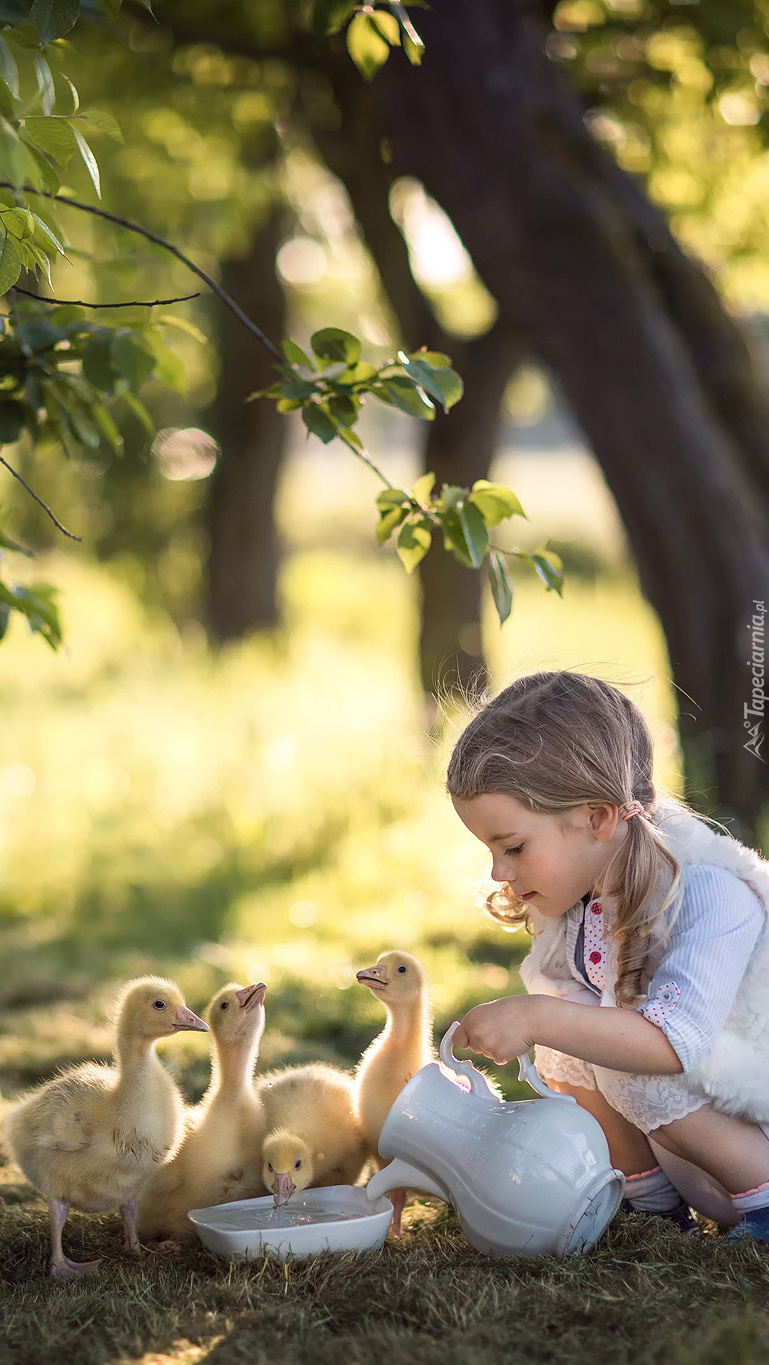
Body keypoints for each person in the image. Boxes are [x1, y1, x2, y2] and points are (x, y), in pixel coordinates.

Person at [448, 671, 769, 1241]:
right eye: (490, 850)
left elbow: (675, 1043)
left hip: (755, 1135)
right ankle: (647, 1205)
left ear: (597, 817)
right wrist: (546, 1023)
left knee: (601, 1042)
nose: (498, 872)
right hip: (697, 1163)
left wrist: (536, 1018)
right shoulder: (586, 901)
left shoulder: (710, 890)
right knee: (571, 1033)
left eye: (514, 847)